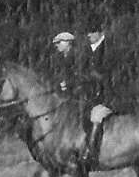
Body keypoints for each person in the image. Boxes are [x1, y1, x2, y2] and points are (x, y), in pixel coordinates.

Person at [48, 30, 111, 167]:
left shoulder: (76, 56)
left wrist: (70, 83)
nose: (57, 46)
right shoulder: (67, 57)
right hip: (79, 93)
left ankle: (90, 149)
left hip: (91, 94)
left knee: (89, 117)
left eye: (59, 43)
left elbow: (87, 75)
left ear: (68, 43)